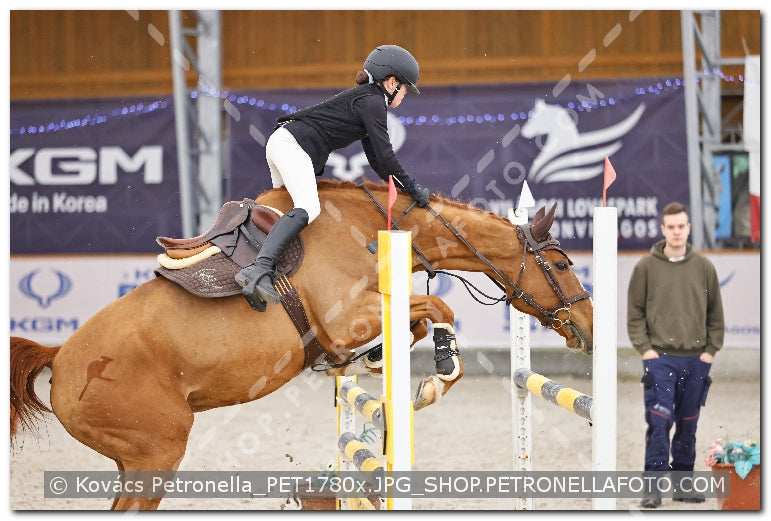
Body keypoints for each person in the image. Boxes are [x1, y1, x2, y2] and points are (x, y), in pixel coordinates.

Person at [235, 44, 431, 310]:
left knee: (283, 214)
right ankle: (258, 269)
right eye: (406, 87)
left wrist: (405, 187)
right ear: (392, 82)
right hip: (292, 145)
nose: (405, 94)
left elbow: (377, 160)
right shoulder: (374, 102)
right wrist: (412, 185)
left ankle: (255, 270)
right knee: (309, 208)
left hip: (283, 141)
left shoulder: (367, 100)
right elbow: (386, 157)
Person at [627, 201, 725, 508]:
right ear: (662, 230)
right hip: (660, 360)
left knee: (689, 423)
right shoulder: (645, 267)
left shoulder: (704, 268)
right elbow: (635, 314)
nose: (677, 231)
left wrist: (709, 352)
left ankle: (683, 486)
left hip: (696, 361)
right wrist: (646, 351)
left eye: (681, 226)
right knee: (659, 422)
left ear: (688, 228)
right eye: (671, 227)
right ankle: (652, 488)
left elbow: (715, 316)